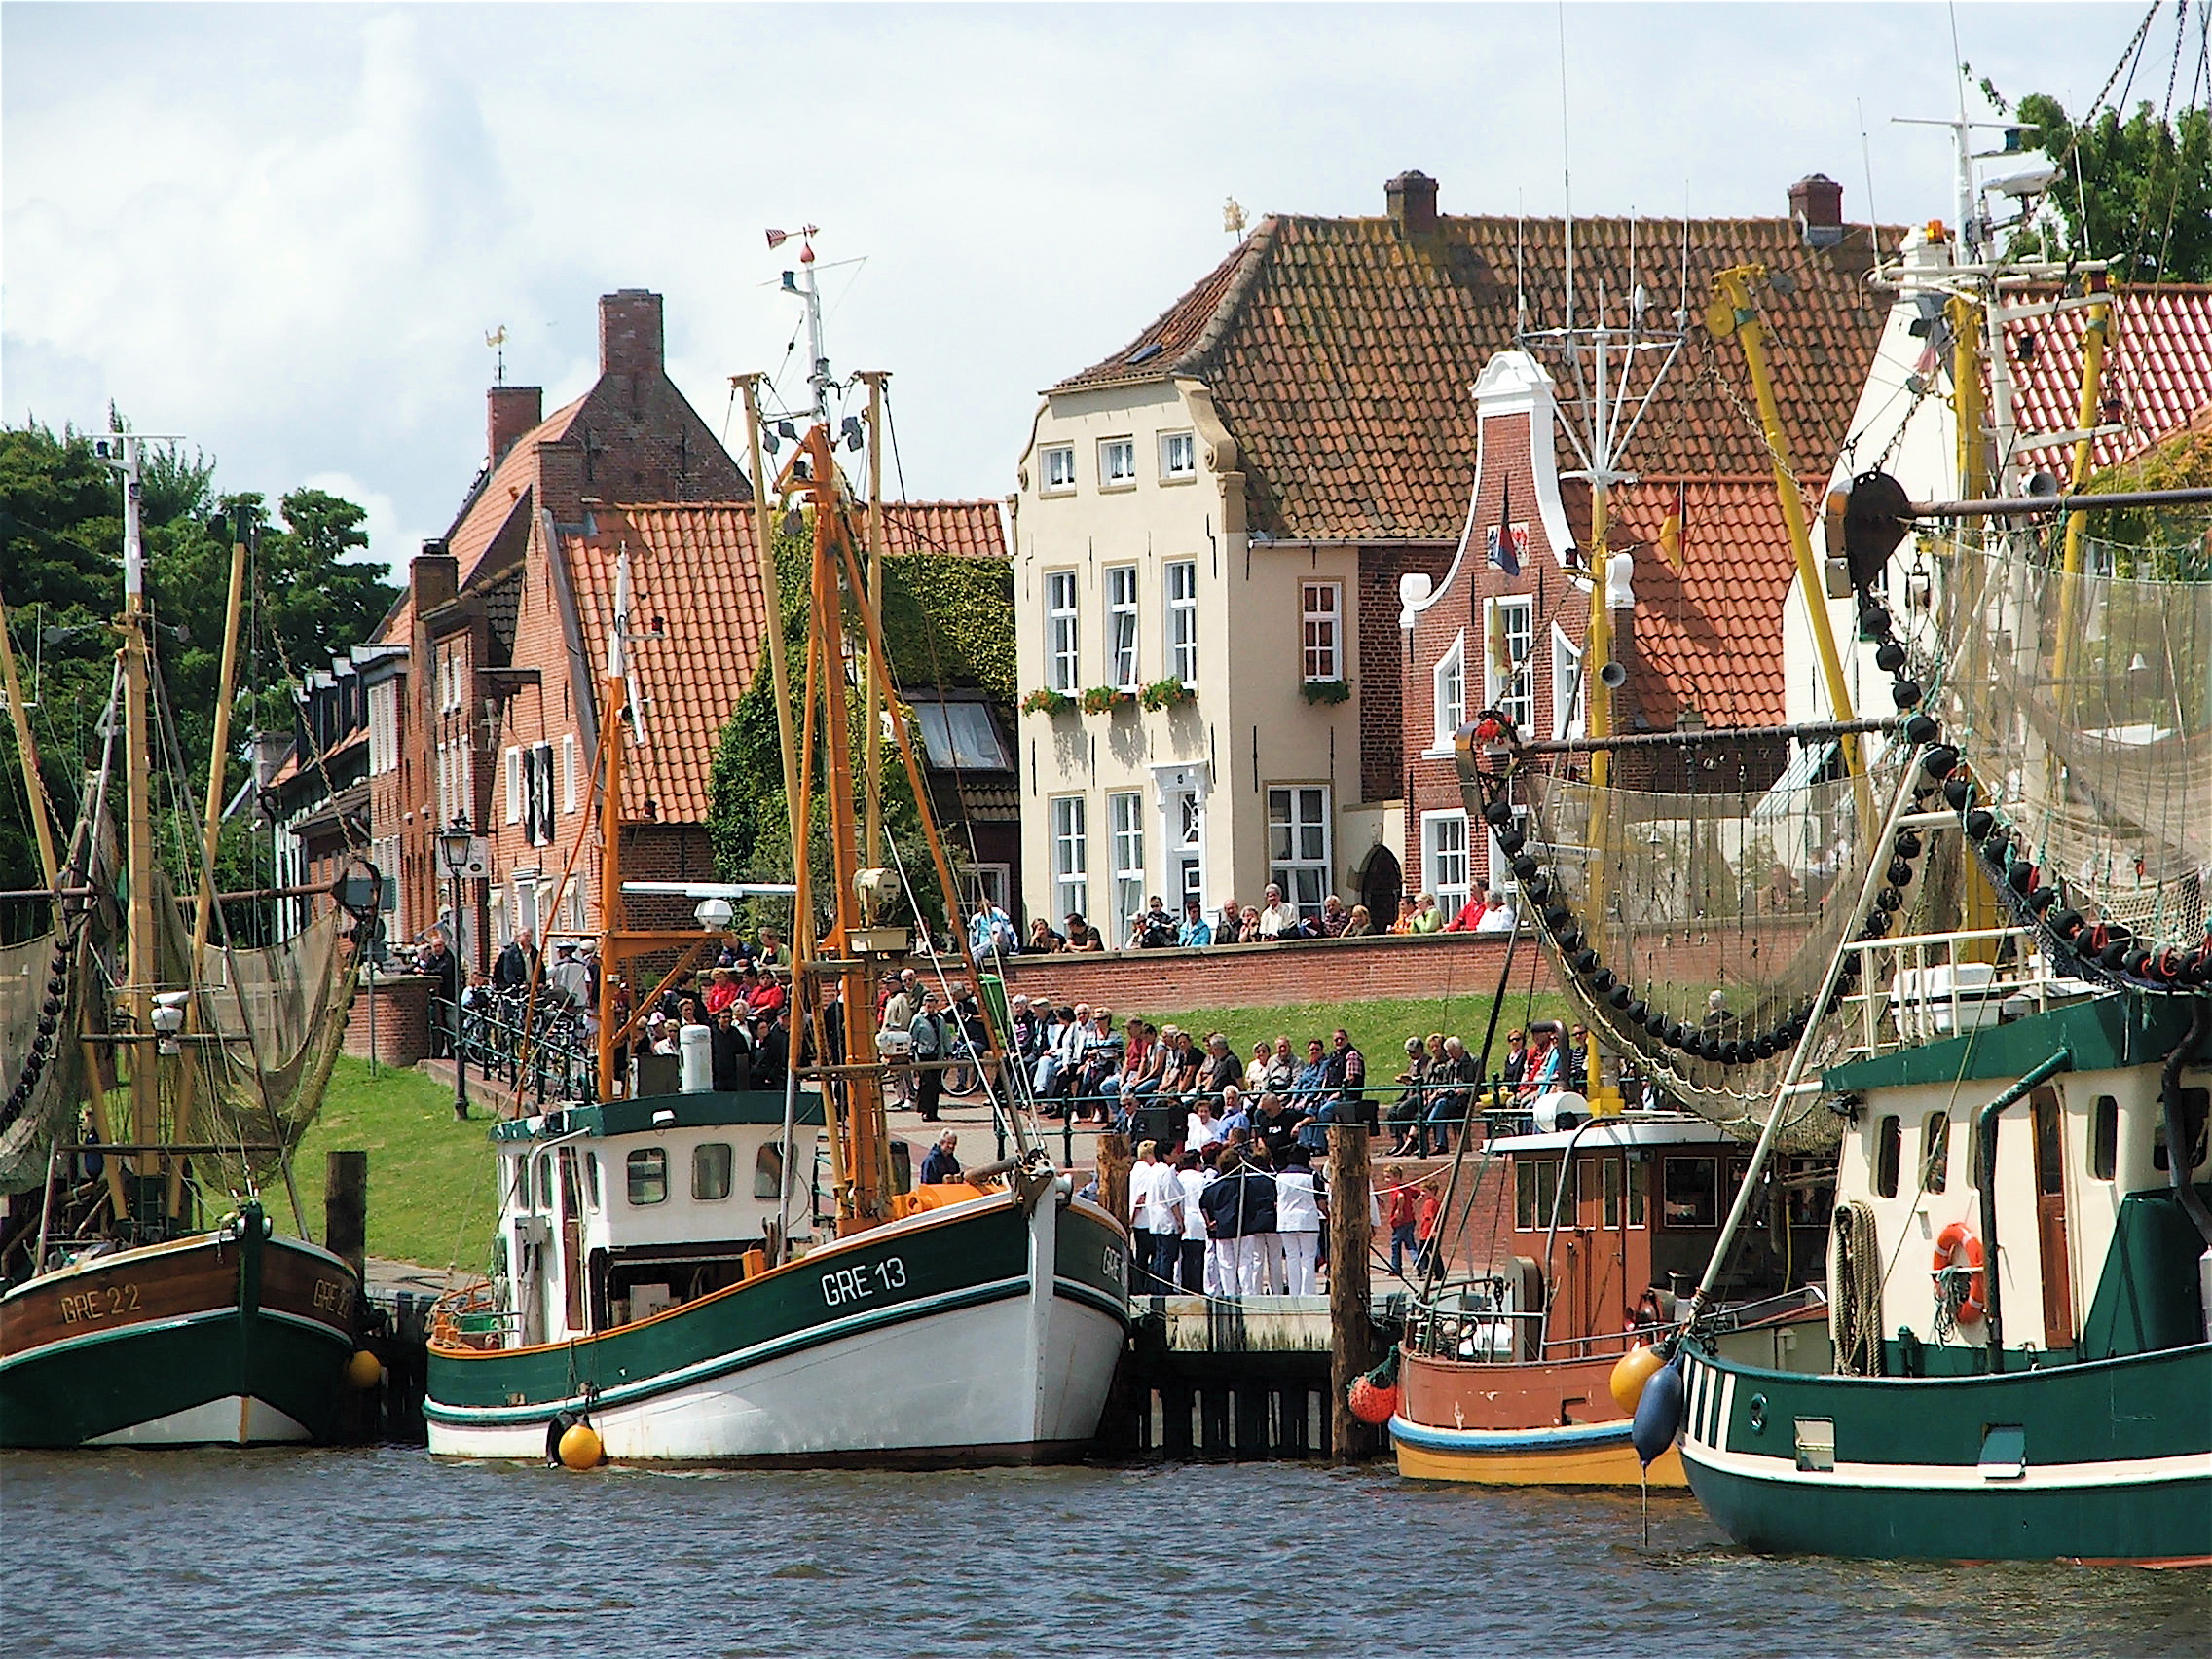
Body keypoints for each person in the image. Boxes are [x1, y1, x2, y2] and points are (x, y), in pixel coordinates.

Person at [1199, 1144, 1277, 1298]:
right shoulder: (1246, 1183)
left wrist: (1210, 1222)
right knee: (1245, 1262)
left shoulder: (1215, 1185)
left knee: (1226, 1264)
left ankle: (1230, 1294)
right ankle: (1247, 1293)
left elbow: (1203, 1203)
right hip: (1243, 1227)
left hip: (1222, 1228)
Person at [1127, 1140, 1183, 1294]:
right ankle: (1164, 1289)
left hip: (1153, 1220)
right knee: (1166, 1256)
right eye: (1174, 1152)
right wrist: (1179, 1219)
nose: (1177, 1155)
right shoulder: (1165, 1172)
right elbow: (1171, 1198)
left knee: (1156, 1256)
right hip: (1164, 1220)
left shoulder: (1151, 1171)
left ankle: (1155, 1288)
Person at [1274, 1146, 1324, 1295]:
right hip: (1307, 1220)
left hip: (1285, 1221)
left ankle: (1294, 1292)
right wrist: (1328, 1215)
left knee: (1292, 1257)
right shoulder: (1312, 1175)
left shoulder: (1279, 1176)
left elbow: (1276, 1200)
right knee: (1308, 1257)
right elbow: (1321, 1201)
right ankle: (1307, 1292)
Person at [909, 987, 949, 1122]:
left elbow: (945, 1036)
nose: (930, 1006)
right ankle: (924, 1110)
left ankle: (933, 1111)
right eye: (928, 1003)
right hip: (923, 1054)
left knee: (936, 1084)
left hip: (937, 1054)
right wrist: (910, 1053)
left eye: (933, 1003)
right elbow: (912, 1036)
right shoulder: (918, 1019)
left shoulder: (939, 1019)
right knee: (926, 1083)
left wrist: (948, 1051)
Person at [1173, 1149, 1210, 1293]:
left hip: (1184, 1218)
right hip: (1199, 1220)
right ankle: (1198, 1287)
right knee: (1199, 1256)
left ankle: (1185, 1286)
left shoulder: (1178, 1178)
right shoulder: (1202, 1179)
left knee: (1185, 1256)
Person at [1387, 1037, 1426, 1156]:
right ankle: (1399, 1141)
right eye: (1408, 1052)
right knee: (1391, 1112)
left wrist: (1411, 1081)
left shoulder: (1427, 1063)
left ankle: (1413, 1142)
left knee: (1402, 1110)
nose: (1410, 1055)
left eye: (1413, 1052)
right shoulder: (1412, 1064)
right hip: (1409, 1095)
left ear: (1420, 1049)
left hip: (1420, 1096)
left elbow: (1424, 1080)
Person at [1384, 1166, 1420, 1275]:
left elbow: (1400, 1196)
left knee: (1396, 1244)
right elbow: (1420, 1194)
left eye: (1388, 1177)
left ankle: (1396, 1268)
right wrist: (1414, 1205)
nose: (1386, 1180)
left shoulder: (1396, 1188)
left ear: (1396, 1177)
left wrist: (1399, 1211)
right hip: (1410, 1221)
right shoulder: (1408, 1188)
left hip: (1401, 1222)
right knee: (1410, 1245)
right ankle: (1420, 1266)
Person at [750, 1005, 790, 1091]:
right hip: (756, 1079)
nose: (765, 1030)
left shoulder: (773, 1041)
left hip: (771, 1078)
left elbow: (776, 1059)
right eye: (762, 1028)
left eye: (766, 1027)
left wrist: (770, 1076)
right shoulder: (753, 1044)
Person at [493, 926, 538, 992]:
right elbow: (508, 972)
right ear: (518, 937)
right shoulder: (510, 953)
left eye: (529, 936)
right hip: (517, 989)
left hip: (532, 988)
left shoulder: (535, 952)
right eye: (525, 935)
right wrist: (517, 984)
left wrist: (540, 982)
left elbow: (540, 969)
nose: (527, 938)